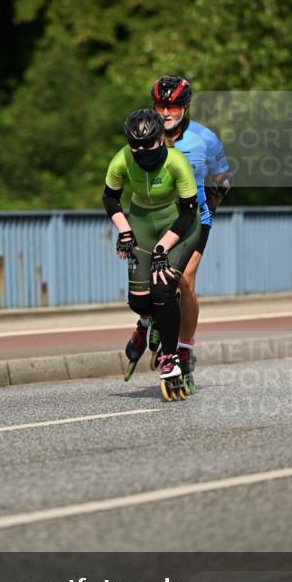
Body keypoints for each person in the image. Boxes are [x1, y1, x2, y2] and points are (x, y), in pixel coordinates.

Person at [102, 108, 202, 400]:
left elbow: (188, 213)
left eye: (149, 144)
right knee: (139, 301)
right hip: (143, 220)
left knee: (163, 289)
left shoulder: (176, 162)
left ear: (161, 138)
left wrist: (161, 249)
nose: (142, 151)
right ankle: (146, 323)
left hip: (179, 224)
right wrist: (125, 230)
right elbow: (110, 197)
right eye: (136, 145)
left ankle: (169, 360)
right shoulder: (121, 159)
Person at [149, 75, 231, 390]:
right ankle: (154, 320)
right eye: (160, 105)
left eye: (173, 106)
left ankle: (185, 350)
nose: (166, 113)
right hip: (159, 221)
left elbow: (223, 178)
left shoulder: (204, 139)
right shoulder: (144, 134)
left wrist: (206, 210)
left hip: (195, 220)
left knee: (183, 280)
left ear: (186, 106)